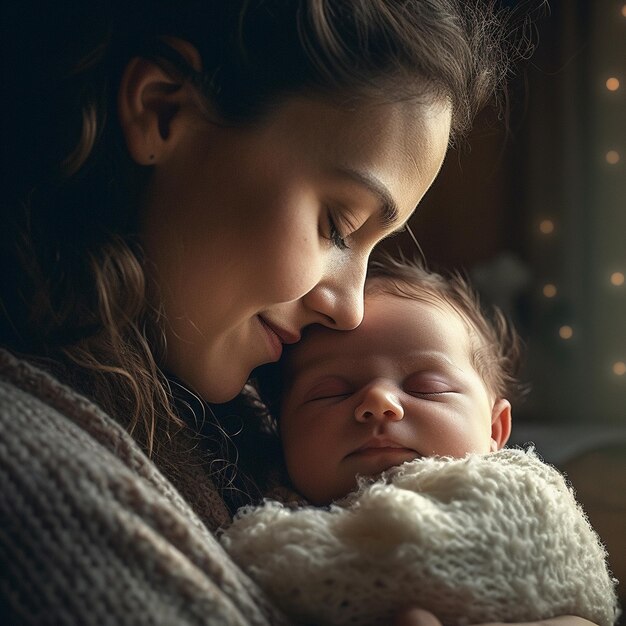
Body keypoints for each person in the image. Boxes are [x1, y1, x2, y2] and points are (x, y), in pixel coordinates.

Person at [0, 1, 601, 624]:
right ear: (163, 111)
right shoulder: (36, 483)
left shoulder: (222, 415)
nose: (347, 308)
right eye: (337, 227)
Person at [221, 257, 619, 625]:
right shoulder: (269, 529)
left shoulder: (522, 497)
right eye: (330, 393)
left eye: (427, 388)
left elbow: (576, 593)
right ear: (281, 430)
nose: (379, 402)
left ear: (495, 430)